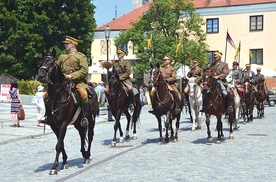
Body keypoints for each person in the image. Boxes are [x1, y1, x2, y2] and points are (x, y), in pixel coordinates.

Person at [56, 35, 89, 126]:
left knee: (84, 94)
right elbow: (56, 69)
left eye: (67, 44)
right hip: (63, 83)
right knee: (46, 95)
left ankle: (84, 117)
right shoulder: (62, 57)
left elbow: (84, 71)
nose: (65, 45)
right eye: (65, 44)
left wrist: (71, 76)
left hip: (77, 82)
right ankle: (48, 115)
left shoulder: (81, 56)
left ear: (73, 45)